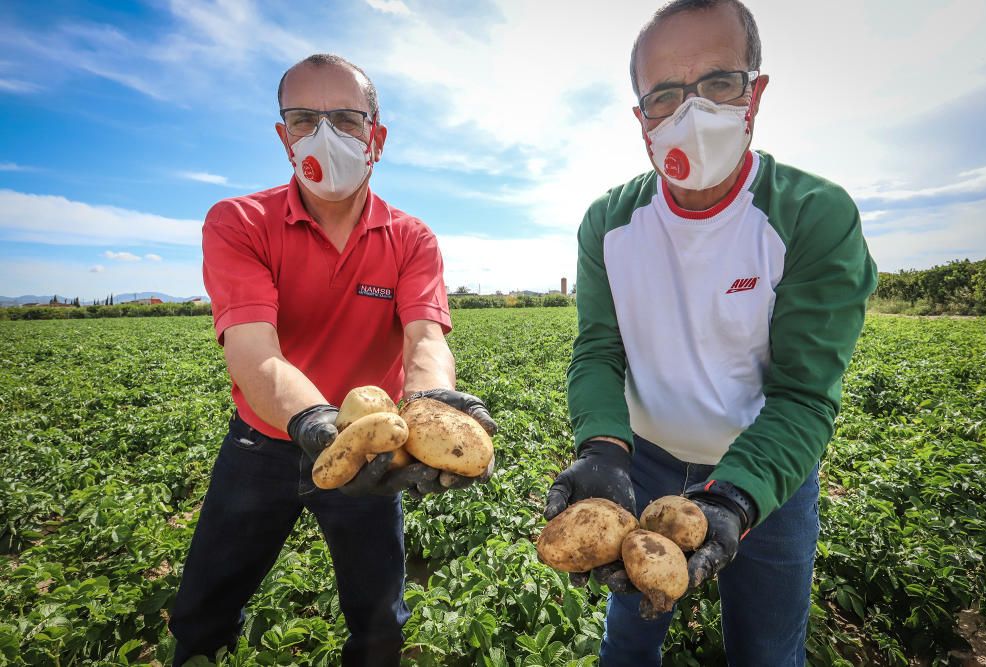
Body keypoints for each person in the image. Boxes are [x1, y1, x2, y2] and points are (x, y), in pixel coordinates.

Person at [543, 1, 877, 665]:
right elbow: (598, 351)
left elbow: (805, 395)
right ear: (641, 119)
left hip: (767, 471)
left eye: (719, 83)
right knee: (628, 639)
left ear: (755, 94)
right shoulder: (608, 223)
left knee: (768, 650)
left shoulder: (813, 215)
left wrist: (735, 496)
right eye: (665, 95)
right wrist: (604, 448)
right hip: (645, 458)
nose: (691, 113)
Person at [168, 54, 496, 667]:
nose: (325, 135)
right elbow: (252, 352)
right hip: (263, 444)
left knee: (378, 616)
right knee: (204, 607)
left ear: (377, 135)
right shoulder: (240, 222)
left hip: (369, 450)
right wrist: (313, 422)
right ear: (282, 135)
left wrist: (430, 403)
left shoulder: (411, 238)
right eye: (303, 119)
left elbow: (424, 338)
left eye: (346, 118)